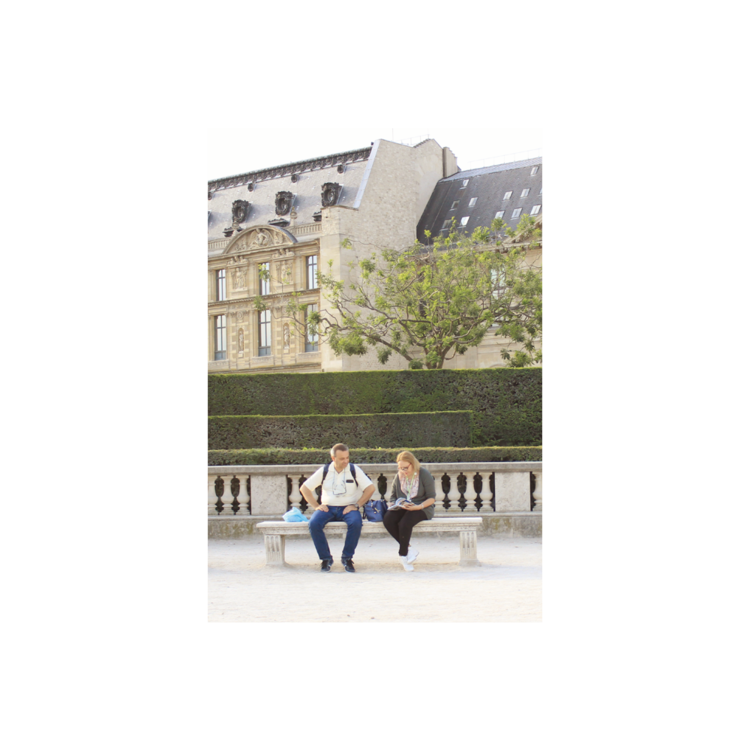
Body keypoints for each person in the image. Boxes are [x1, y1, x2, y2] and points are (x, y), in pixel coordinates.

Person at [300, 444, 375, 573]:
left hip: (348, 508)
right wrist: (316, 506)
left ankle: (347, 558)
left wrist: (357, 505)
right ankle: (326, 559)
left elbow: (370, 488)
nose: (346, 461)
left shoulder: (354, 469)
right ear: (333, 458)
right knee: (314, 524)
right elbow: (304, 488)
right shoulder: (325, 470)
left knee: (356, 523)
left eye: (347, 457)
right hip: (327, 508)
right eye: (342, 458)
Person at [383, 451, 437, 571]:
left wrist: (418, 507)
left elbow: (431, 498)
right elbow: (392, 497)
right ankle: (409, 548)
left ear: (412, 464)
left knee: (404, 523)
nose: (403, 471)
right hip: (404, 506)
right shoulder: (399, 475)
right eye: (400, 468)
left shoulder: (424, 474)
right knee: (388, 519)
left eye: (405, 468)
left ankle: (403, 555)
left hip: (422, 507)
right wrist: (400, 503)